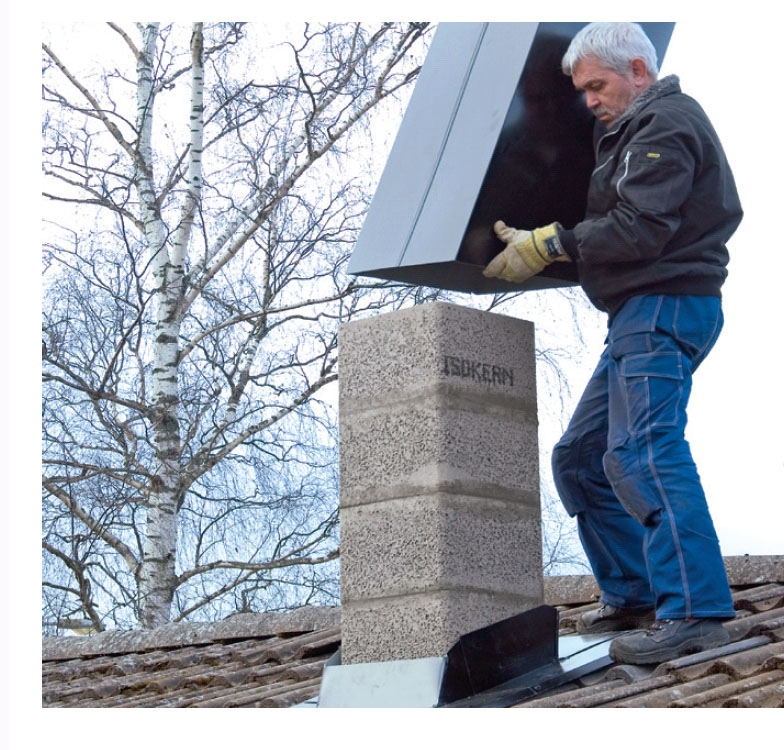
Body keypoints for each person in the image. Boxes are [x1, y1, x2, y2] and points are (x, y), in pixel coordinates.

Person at [483, 22, 743, 665]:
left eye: (597, 86)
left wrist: (553, 243)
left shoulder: (665, 124)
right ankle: (635, 594)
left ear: (638, 71)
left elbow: (641, 228)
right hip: (639, 313)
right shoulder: (629, 131)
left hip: (664, 305)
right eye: (583, 91)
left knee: (643, 452)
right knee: (581, 458)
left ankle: (696, 611)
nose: (590, 101)